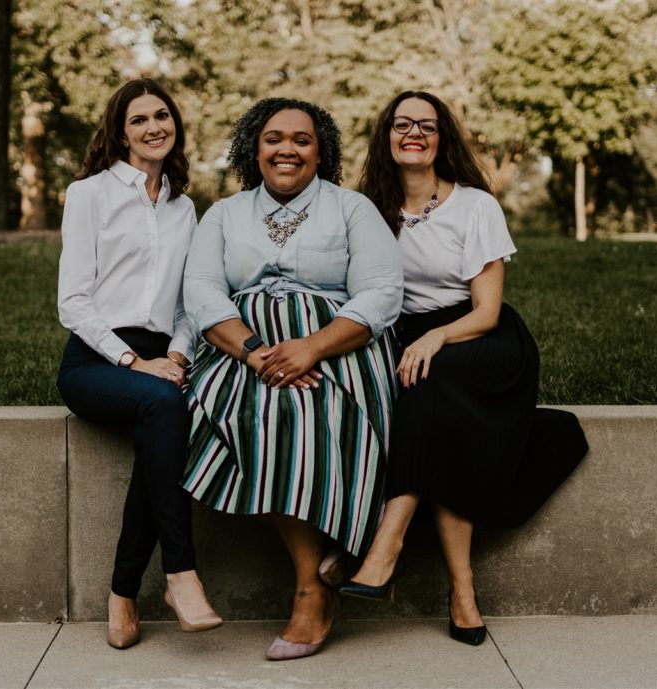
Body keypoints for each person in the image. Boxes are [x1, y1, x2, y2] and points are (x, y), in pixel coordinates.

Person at [339, 91, 588, 645]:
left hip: (480, 339)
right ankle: (462, 590)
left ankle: (387, 543)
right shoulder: (366, 211)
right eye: (401, 124)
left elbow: (488, 310)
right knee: (429, 401)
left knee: (431, 382)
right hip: (404, 337)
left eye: (426, 126)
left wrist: (436, 336)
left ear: (442, 139)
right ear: (386, 138)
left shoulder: (474, 206)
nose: (413, 133)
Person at [182, 98, 403, 660]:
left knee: (306, 408)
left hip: (338, 345)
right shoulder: (225, 214)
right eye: (273, 138)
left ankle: (318, 580)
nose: (287, 149)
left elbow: (381, 293)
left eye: (302, 140)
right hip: (248, 348)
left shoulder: (352, 209)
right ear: (254, 149)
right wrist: (257, 354)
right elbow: (203, 294)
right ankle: (317, 580)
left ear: (320, 150)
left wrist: (311, 347)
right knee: (261, 409)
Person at [56, 78, 221, 650]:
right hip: (95, 358)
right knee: (163, 401)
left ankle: (123, 592)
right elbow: (73, 302)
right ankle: (181, 575)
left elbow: (187, 302)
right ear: (119, 132)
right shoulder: (91, 194)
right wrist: (133, 361)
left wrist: (176, 352)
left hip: (161, 355)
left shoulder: (183, 205)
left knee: (163, 421)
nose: (153, 127)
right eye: (138, 119)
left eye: (162, 116)